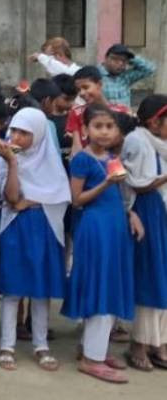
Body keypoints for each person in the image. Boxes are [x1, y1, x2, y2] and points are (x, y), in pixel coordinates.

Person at [62, 105, 140, 383]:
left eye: (109, 126)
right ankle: (91, 360)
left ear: (118, 131)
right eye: (98, 126)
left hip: (114, 226)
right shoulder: (83, 160)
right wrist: (107, 182)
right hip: (95, 228)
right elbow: (77, 200)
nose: (104, 131)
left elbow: (120, 197)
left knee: (110, 284)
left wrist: (131, 215)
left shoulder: (111, 157)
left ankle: (93, 348)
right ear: (85, 130)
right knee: (101, 287)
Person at [0, 108, 69, 372]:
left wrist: (31, 200)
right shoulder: (7, 160)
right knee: (13, 289)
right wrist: (12, 162)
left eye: (24, 132)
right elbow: (12, 198)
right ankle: (6, 345)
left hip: (44, 227)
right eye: (14, 130)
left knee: (41, 290)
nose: (17, 137)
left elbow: (59, 194)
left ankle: (41, 344)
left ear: (38, 134)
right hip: (16, 227)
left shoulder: (51, 161)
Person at [120, 95, 167, 371]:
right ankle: (139, 342)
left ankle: (159, 341)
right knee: (150, 276)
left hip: (160, 209)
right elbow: (137, 184)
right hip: (146, 211)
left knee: (163, 277)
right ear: (154, 121)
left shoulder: (159, 143)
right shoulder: (138, 141)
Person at [67, 66, 131, 154]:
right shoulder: (76, 113)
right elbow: (76, 146)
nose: (81, 93)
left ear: (99, 85)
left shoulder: (122, 112)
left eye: (85, 87)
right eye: (78, 90)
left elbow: (127, 145)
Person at [100, 44, 156, 109]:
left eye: (124, 61)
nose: (120, 63)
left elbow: (150, 69)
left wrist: (132, 59)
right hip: (105, 117)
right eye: (115, 59)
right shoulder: (96, 75)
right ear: (106, 58)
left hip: (125, 117)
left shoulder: (126, 77)